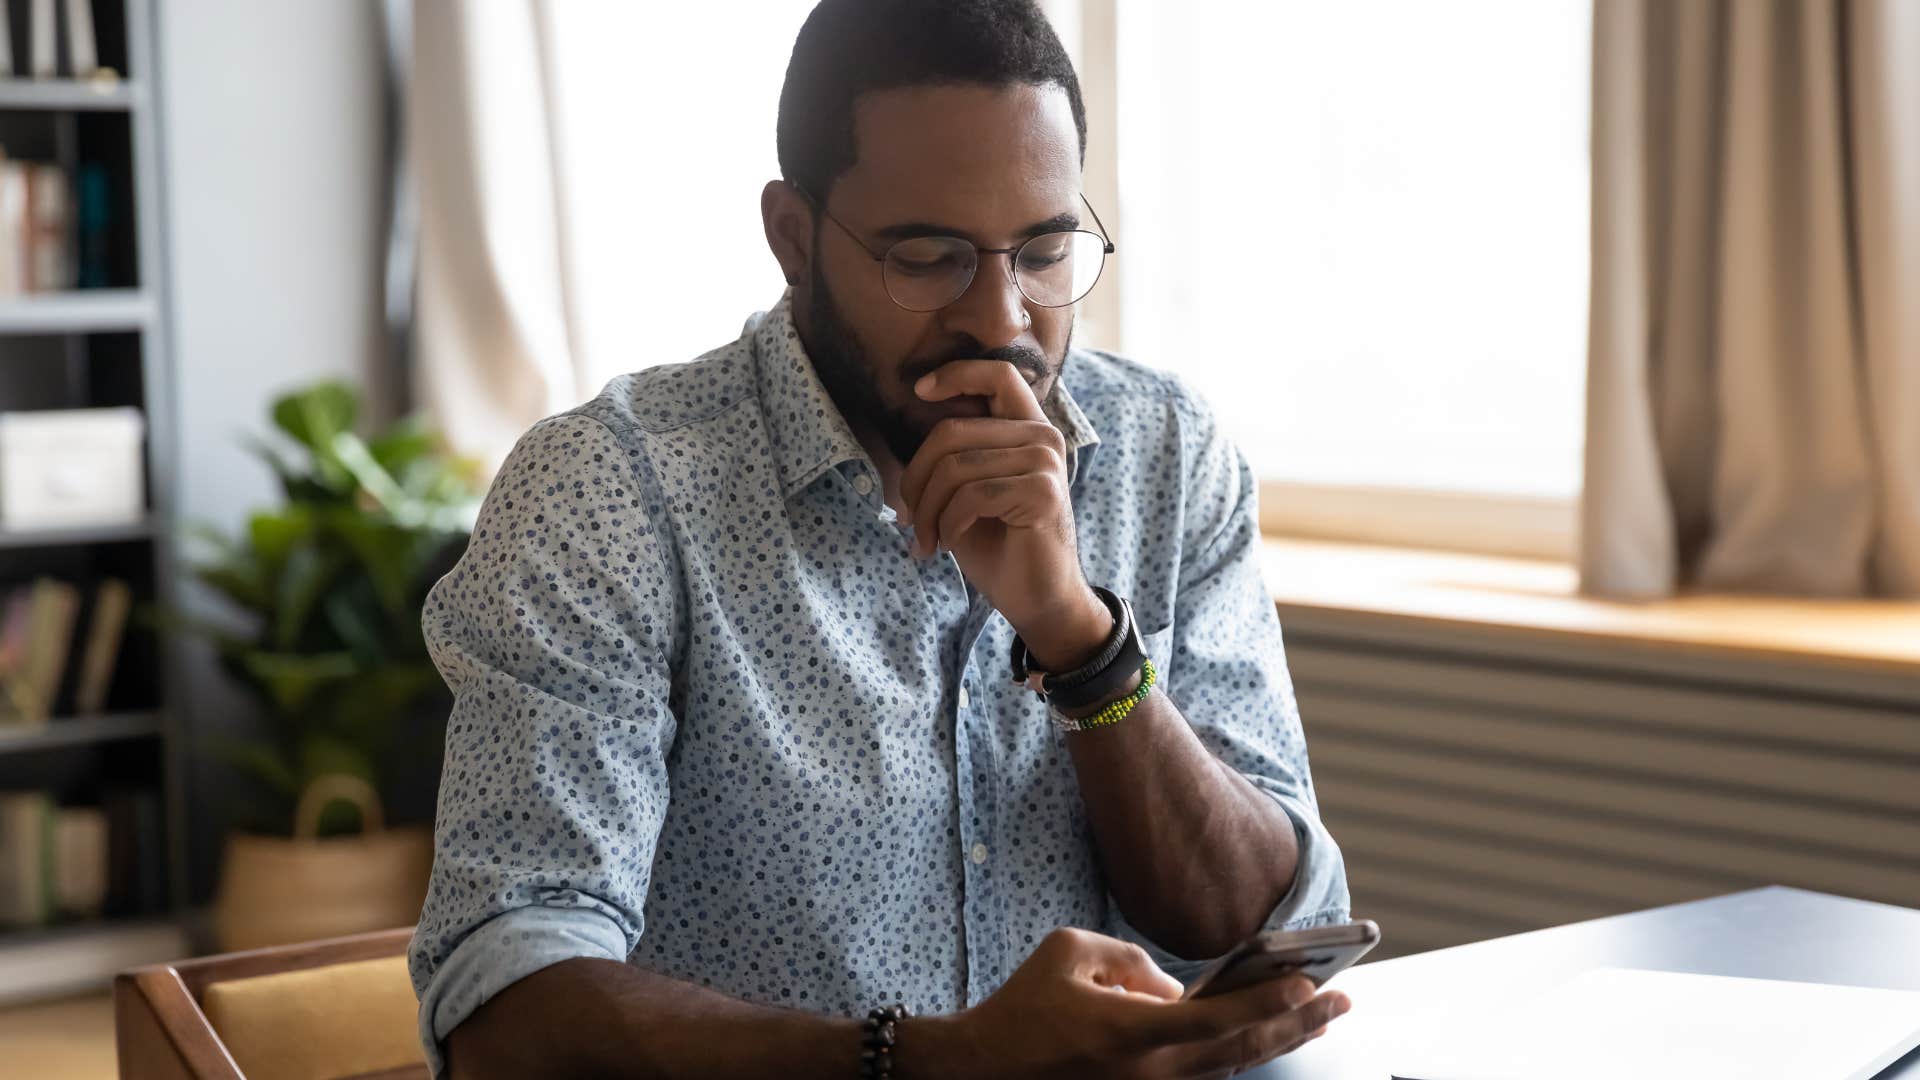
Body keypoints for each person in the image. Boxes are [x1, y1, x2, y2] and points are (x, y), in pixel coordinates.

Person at [409, 1, 1352, 1076]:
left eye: (1044, 252)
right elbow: (508, 1009)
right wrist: (928, 1062)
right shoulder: (611, 492)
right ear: (793, 238)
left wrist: (1083, 645)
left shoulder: (1166, 453)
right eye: (929, 257)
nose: (1001, 318)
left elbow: (1261, 921)